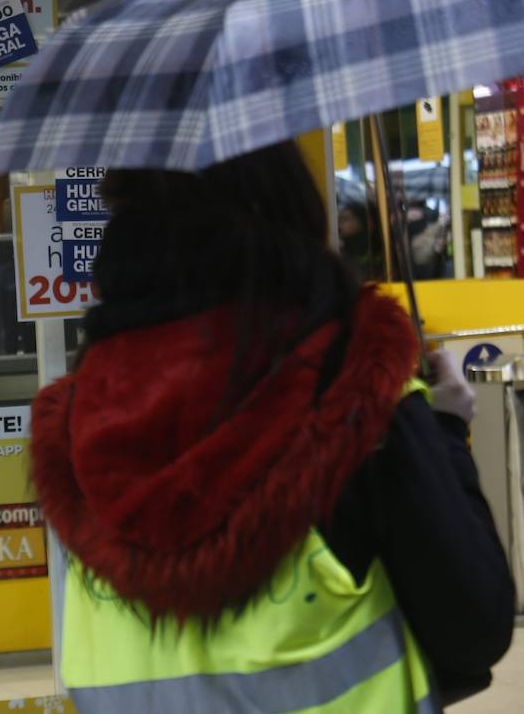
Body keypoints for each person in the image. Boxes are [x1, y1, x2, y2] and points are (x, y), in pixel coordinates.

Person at [31, 141, 515, 712]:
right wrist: (445, 435)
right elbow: (472, 626)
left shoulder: (81, 422)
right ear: (291, 212)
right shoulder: (349, 387)